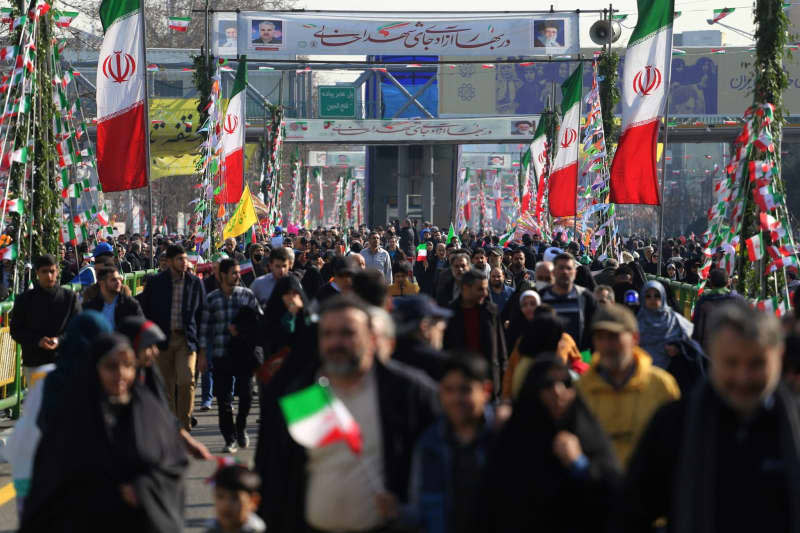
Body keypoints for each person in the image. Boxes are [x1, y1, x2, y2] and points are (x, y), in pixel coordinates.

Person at [255, 295, 439, 533]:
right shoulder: (304, 395)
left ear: (371, 339)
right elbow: (276, 475)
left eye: (347, 333)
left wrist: (409, 512)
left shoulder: (409, 394)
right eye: (328, 334)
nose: (336, 343)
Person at [622, 302, 800, 533]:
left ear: (779, 357)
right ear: (712, 355)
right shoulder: (675, 424)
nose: (742, 378)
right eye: (731, 363)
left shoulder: (794, 423)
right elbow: (630, 512)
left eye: (757, 364)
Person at [21, 333, 188, 532]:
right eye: (111, 366)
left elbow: (173, 467)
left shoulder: (150, 413)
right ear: (94, 368)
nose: (121, 374)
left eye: (128, 365)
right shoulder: (72, 420)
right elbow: (50, 485)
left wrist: (143, 488)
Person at [475, 357, 621, 532]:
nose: (558, 391)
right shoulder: (514, 443)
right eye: (547, 384)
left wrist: (580, 465)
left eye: (566, 383)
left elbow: (614, 494)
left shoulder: (587, 434)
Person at [577, 303, 680, 468]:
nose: (606, 345)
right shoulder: (582, 388)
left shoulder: (661, 385)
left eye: (613, 337)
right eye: (600, 337)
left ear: (634, 338)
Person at [408, 353, 498, 533]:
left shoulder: (503, 435)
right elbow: (419, 508)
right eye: (449, 390)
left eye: (465, 390)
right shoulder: (430, 443)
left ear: (486, 390)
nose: (456, 399)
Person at [139, 244, 206, 431]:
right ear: (169, 262)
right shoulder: (155, 283)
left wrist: (203, 349)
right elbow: (145, 312)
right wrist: (147, 342)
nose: (184, 263)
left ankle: (184, 424)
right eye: (179, 259)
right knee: (166, 388)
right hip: (162, 342)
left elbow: (202, 315)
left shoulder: (194, 283)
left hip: (186, 341)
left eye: (185, 259)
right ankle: (171, 427)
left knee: (186, 381)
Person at [199, 258, 260, 453]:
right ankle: (229, 438)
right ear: (222, 275)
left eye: (238, 273)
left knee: (246, 395)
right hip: (220, 354)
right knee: (224, 400)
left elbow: (259, 321)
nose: (237, 276)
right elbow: (205, 329)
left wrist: (243, 330)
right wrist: (202, 355)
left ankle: (241, 427)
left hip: (244, 354)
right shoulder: (212, 299)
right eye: (233, 273)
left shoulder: (247, 295)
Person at [10, 254, 81, 384]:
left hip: (63, 361)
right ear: (37, 273)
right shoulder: (24, 300)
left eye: (52, 271)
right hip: (34, 362)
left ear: (57, 271)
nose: (49, 275)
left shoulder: (69, 298)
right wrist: (37, 341)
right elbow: (16, 330)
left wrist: (59, 340)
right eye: (44, 271)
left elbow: (78, 328)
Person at [442, 268, 507, 398]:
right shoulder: (450, 313)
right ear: (465, 288)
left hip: (488, 381)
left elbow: (500, 348)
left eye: (485, 289)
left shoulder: (491, 311)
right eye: (480, 289)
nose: (485, 293)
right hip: (460, 380)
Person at [538, 253, 597, 351]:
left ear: (575, 272)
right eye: (561, 268)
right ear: (553, 272)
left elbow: (594, 331)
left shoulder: (585, 297)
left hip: (579, 358)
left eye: (568, 268)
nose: (565, 272)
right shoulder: (541, 297)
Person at [392, 295, 451, 381]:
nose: (443, 326)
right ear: (424, 326)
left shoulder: (388, 359)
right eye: (438, 320)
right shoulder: (442, 363)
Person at [637, 280, 694, 369]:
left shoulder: (675, 320)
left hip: (671, 371)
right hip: (642, 371)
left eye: (657, 296)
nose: (653, 299)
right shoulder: (636, 320)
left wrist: (678, 347)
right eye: (648, 296)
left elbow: (691, 342)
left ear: (663, 297)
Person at [207, 465, 266, 533]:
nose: (227, 504)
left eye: (235, 498)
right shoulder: (211, 529)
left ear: (253, 501)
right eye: (220, 496)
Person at [691, 267, 739, 350]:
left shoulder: (703, 302)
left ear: (711, 283)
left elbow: (697, 331)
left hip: (708, 352)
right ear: (728, 282)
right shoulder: (738, 301)